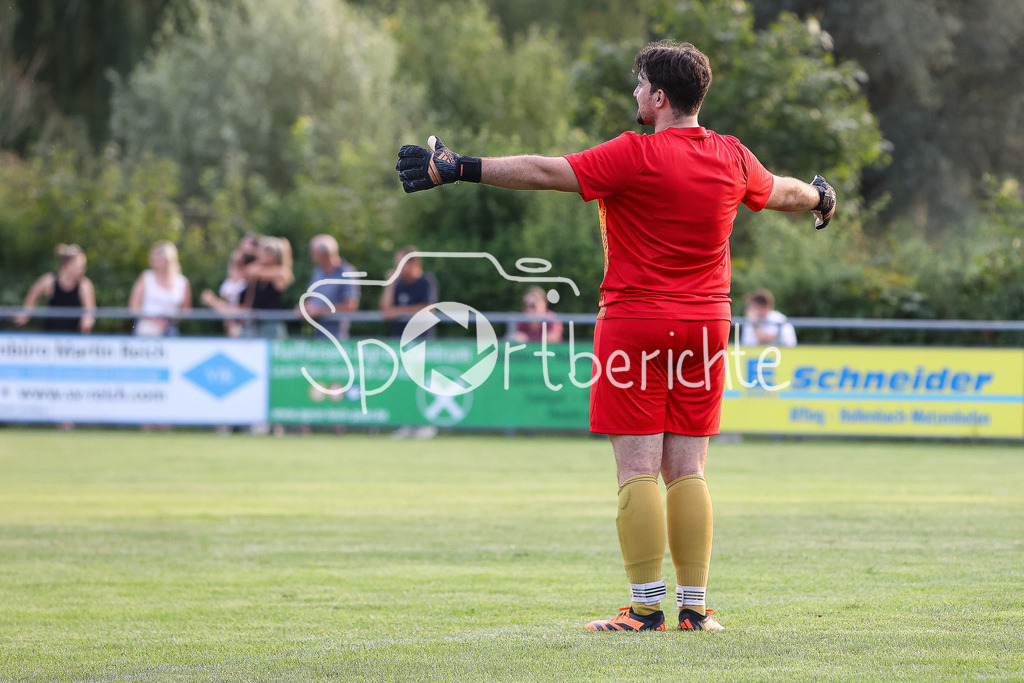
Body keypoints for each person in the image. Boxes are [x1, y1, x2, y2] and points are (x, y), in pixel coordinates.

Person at [396, 41, 835, 632]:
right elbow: (782, 190)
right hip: (706, 327)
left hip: (636, 326)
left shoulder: (636, 155)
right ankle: (696, 609)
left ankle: (647, 608)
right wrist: (821, 198)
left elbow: (548, 171)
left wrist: (461, 167)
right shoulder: (732, 156)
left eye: (638, 85)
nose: (634, 94)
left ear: (659, 98)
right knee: (689, 469)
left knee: (637, 470)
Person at [202, 236, 294, 339]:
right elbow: (248, 304)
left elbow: (282, 274)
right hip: (254, 325)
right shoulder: (255, 275)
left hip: (271, 325)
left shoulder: (278, 273)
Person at [15, 244, 96, 333]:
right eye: (80, 267)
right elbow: (33, 294)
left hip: (74, 338)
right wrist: (26, 313)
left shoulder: (84, 285)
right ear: (68, 265)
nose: (83, 270)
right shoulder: (49, 281)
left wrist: (87, 320)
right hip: (50, 335)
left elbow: (90, 311)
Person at [300, 234, 360, 340]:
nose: (311, 256)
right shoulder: (317, 272)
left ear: (324, 254)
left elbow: (351, 306)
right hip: (317, 337)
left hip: (337, 339)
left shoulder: (347, 272)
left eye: (313, 253)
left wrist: (320, 311)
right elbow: (313, 301)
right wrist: (304, 308)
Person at [128, 241, 191, 337]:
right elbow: (133, 306)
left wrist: (169, 319)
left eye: (159, 256)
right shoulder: (146, 277)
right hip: (146, 326)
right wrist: (153, 319)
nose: (155, 259)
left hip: (170, 327)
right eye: (154, 256)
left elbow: (185, 312)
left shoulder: (182, 282)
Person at [379, 246, 438, 338]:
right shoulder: (397, 284)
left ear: (414, 263)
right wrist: (389, 285)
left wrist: (397, 312)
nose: (397, 268)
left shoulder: (426, 281)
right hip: (399, 342)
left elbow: (429, 310)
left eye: (401, 264)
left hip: (422, 342)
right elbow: (386, 312)